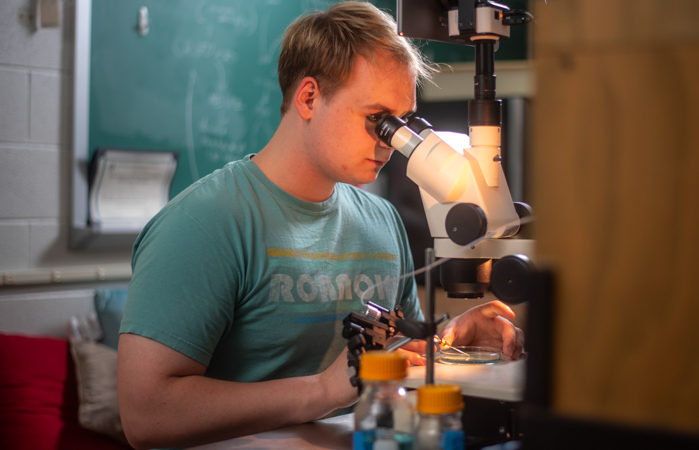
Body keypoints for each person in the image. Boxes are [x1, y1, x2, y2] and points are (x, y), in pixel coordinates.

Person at [117, 2, 524, 449]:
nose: (393, 142)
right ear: (309, 98)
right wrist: (321, 392)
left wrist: (447, 340)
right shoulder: (204, 223)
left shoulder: (381, 218)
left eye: (402, 123)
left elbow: (397, 355)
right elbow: (145, 415)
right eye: (378, 121)